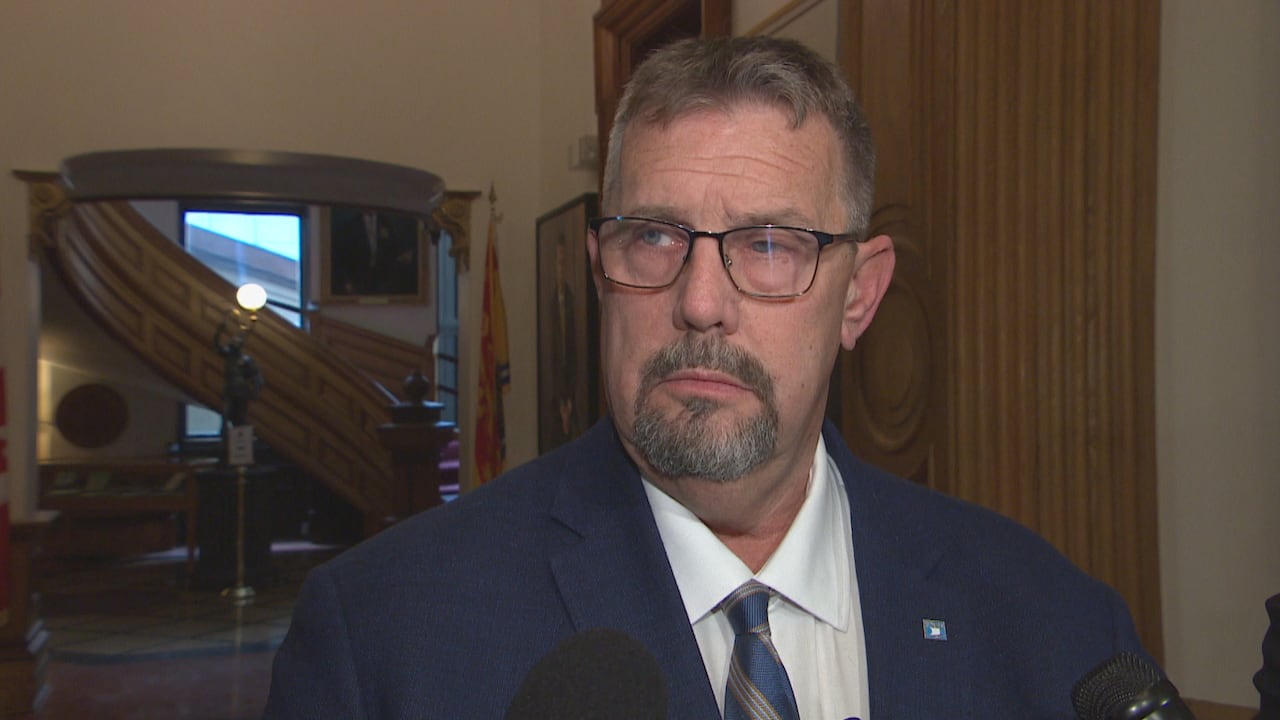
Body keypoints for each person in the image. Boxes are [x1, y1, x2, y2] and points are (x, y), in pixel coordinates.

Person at [265, 36, 1151, 718]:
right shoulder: (384, 637)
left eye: (768, 245)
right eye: (653, 236)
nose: (698, 303)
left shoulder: (1059, 630)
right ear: (600, 270)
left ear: (859, 295)